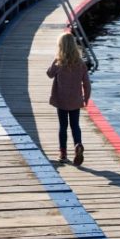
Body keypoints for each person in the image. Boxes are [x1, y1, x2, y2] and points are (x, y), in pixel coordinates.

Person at [46, 31, 91, 165]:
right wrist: (86, 98)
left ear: (61, 47)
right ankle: (78, 144)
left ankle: (63, 153)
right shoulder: (81, 64)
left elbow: (49, 74)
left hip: (61, 100)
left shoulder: (59, 62)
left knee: (63, 126)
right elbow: (87, 84)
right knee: (75, 125)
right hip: (76, 100)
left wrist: (55, 60)